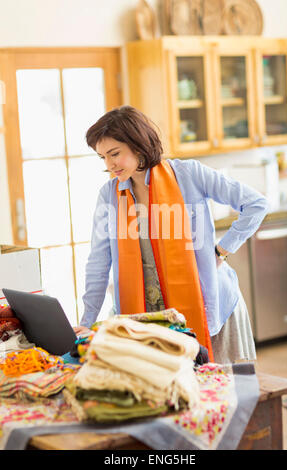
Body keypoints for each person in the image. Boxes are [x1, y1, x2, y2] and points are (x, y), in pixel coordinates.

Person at [74, 105, 268, 363]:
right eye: (103, 158)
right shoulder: (109, 196)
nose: (110, 165)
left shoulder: (190, 174)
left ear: (138, 145)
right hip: (149, 320)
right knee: (171, 395)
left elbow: (256, 204)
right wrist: (86, 323)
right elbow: (98, 263)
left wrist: (221, 251)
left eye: (115, 154)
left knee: (236, 394)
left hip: (212, 309)